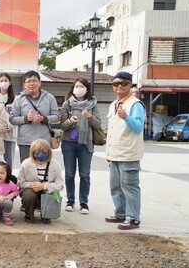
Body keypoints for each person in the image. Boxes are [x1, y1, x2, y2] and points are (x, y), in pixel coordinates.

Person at [105, 72, 145, 230]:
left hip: (129, 154)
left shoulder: (135, 104)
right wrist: (109, 153)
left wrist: (127, 117)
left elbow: (137, 127)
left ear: (130, 85)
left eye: (123, 83)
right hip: (115, 154)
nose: (119, 86)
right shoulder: (113, 104)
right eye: (116, 84)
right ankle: (120, 213)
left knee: (130, 187)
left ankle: (133, 218)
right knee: (115, 186)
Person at [60, 78, 101, 215]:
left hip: (86, 144)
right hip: (69, 143)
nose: (79, 88)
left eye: (81, 86)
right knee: (69, 174)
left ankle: (84, 202)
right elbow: (63, 126)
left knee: (85, 175)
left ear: (87, 89)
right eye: (76, 86)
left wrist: (89, 116)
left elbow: (98, 124)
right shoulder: (67, 104)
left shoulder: (92, 104)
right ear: (73, 88)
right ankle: (70, 201)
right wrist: (70, 121)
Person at [9, 70, 60, 163]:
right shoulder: (18, 99)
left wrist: (44, 119)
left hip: (44, 141)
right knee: (26, 170)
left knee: (43, 170)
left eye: (34, 81)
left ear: (39, 83)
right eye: (28, 81)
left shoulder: (49, 97)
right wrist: (26, 118)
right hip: (25, 142)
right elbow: (12, 119)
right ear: (24, 85)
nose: (32, 83)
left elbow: (57, 116)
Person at [17, 139, 64, 224]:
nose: (40, 153)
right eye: (37, 151)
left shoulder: (55, 164)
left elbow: (60, 184)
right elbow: (20, 183)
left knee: (52, 193)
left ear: (48, 151)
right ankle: (29, 215)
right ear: (32, 152)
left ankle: (47, 215)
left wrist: (44, 186)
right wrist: (34, 185)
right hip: (31, 189)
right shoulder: (26, 163)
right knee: (29, 195)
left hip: (47, 189)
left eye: (44, 151)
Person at [0, 73, 17, 166]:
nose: (3, 83)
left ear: (10, 82)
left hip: (10, 134)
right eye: (1, 81)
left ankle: (8, 180)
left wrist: (10, 127)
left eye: (6, 80)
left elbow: (17, 116)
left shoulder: (16, 99)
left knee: (8, 162)